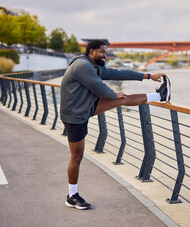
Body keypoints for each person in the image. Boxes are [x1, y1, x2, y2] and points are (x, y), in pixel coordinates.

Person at [60, 39, 171, 210]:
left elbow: (119, 73)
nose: (105, 55)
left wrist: (149, 76)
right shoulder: (82, 66)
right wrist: (113, 94)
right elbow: (99, 88)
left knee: (122, 99)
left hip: (85, 107)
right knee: (77, 156)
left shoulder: (95, 67)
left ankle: (160, 96)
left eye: (105, 51)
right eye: (102, 52)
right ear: (91, 52)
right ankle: (72, 196)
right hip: (75, 116)